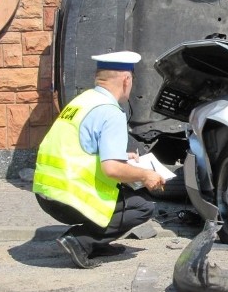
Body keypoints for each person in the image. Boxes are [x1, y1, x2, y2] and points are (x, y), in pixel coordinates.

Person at [32, 51, 165, 269]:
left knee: (125, 195)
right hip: (69, 197)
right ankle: (80, 240)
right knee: (142, 206)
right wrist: (146, 174)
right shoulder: (111, 112)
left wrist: (123, 156)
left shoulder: (83, 101)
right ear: (126, 80)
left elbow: (79, 147)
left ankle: (96, 244)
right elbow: (111, 169)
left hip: (47, 193)